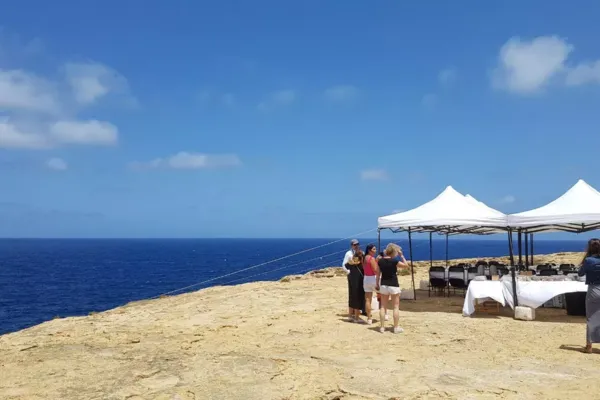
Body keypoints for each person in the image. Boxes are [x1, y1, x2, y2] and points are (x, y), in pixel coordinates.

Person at [376, 243, 409, 334]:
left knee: (383, 306)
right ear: (394, 252)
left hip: (383, 284)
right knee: (395, 307)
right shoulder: (394, 261)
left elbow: (378, 274)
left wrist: (377, 284)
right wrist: (402, 256)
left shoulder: (380, 261)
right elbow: (406, 265)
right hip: (393, 284)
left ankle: (382, 327)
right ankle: (396, 327)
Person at [577, 238, 600, 353]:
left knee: (591, 318)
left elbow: (580, 273)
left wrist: (584, 260)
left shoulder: (588, 260)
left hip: (593, 290)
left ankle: (589, 346)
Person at [345, 250, 366, 322]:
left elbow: (346, 266)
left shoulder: (351, 263)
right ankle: (356, 317)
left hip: (351, 281)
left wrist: (352, 261)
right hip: (359, 282)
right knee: (358, 298)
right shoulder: (361, 264)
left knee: (351, 297)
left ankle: (350, 316)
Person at [342, 239, 361, 317]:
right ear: (351, 245)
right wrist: (348, 272)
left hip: (358, 276)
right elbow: (344, 264)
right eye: (354, 245)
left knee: (357, 293)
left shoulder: (359, 253)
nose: (356, 246)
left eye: (357, 244)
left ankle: (355, 310)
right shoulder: (348, 253)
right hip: (352, 276)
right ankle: (352, 311)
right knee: (352, 293)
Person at [363, 244, 380, 324]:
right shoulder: (371, 258)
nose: (375, 250)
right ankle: (384, 314)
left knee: (368, 299)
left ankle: (369, 318)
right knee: (382, 296)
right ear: (369, 250)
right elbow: (375, 270)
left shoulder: (364, 258)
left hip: (366, 278)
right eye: (374, 249)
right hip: (373, 278)